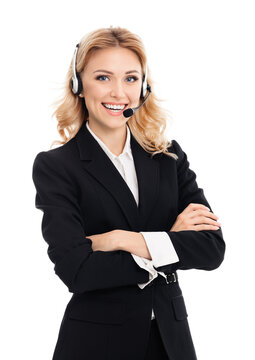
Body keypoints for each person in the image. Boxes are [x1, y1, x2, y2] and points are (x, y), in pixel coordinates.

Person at [32, 26, 226, 360]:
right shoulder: (57, 166)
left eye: (131, 78)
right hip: (96, 343)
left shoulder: (168, 158)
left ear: (144, 87)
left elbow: (211, 249)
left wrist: (119, 239)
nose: (119, 92)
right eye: (103, 77)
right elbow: (76, 270)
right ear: (78, 85)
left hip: (171, 341)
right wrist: (167, 243)